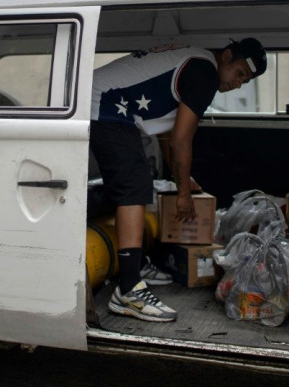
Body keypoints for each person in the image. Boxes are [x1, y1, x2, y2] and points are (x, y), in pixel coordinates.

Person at [90, 38, 268, 322]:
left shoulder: (197, 63)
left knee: (136, 180)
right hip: (102, 103)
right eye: (239, 73)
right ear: (226, 55)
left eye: (245, 81)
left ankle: (133, 267)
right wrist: (183, 192)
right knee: (135, 187)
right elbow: (181, 140)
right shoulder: (204, 73)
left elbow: (168, 134)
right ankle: (128, 290)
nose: (238, 83)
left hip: (112, 106)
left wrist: (180, 177)